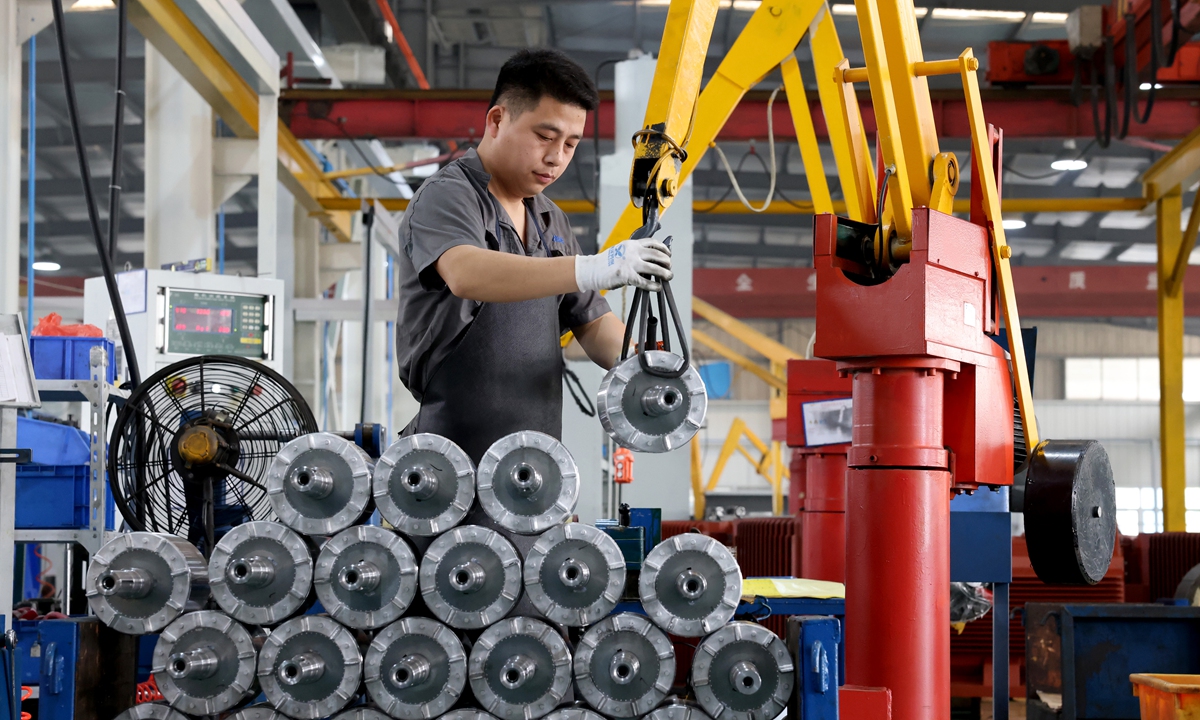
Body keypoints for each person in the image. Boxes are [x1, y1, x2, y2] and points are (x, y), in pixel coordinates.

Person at [395, 48, 673, 463]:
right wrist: (596, 266)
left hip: (537, 464)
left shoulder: (549, 220)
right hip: (448, 458)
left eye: (570, 144)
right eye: (545, 137)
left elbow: (593, 322)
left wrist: (648, 367)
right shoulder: (448, 197)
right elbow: (466, 272)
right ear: (496, 120)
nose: (556, 157)